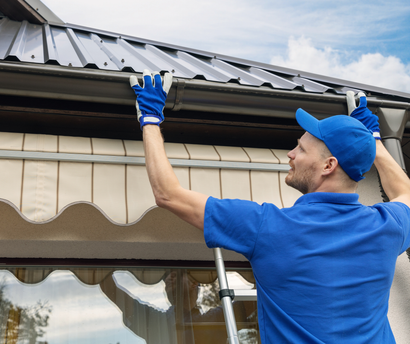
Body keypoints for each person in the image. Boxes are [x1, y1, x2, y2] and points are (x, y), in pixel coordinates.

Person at [129, 70, 410, 343]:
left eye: (300, 148)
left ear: (329, 165)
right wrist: (373, 141)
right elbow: (404, 192)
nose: (290, 154)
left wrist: (150, 119)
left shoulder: (269, 227)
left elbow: (168, 195)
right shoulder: (387, 226)